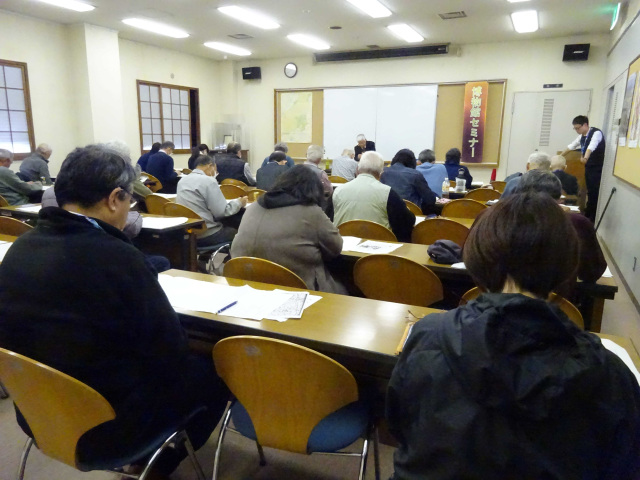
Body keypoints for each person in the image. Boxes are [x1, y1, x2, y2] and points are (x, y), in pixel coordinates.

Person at [0, 144, 228, 478]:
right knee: (214, 370)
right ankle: (157, 463)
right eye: (129, 201)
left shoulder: (21, 248)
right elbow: (170, 349)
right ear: (113, 198)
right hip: (108, 427)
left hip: (37, 413)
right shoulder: (117, 258)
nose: (128, 209)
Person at [387, 191, 640, 480]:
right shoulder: (610, 377)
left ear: (476, 255)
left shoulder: (426, 337)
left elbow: (400, 426)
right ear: (567, 264)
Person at [231, 165, 345, 294]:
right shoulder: (311, 212)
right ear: (314, 190)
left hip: (246, 284)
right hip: (297, 290)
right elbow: (336, 248)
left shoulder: (254, 207)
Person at [518, 169, 606, 283]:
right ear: (560, 199)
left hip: (502, 298)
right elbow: (592, 273)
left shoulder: (498, 218)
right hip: (558, 298)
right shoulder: (578, 223)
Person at [333, 151, 415, 242]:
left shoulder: (338, 191)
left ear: (357, 170)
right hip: (378, 253)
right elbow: (408, 221)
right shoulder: (388, 193)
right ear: (381, 173)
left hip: (342, 249)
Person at [177, 155, 247, 247]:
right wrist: (239, 203)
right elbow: (221, 212)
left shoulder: (182, 181)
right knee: (241, 231)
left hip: (188, 232)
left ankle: (205, 257)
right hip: (207, 233)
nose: (216, 173)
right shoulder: (209, 181)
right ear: (210, 166)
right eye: (216, 169)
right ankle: (233, 260)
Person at [561, 115, 605, 222]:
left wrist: (585, 157)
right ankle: (587, 213)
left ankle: (592, 217)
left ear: (585, 125)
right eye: (575, 128)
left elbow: (591, 147)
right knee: (589, 191)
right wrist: (560, 156)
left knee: (594, 192)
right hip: (588, 167)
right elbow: (572, 146)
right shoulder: (582, 135)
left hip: (597, 168)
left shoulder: (596, 133)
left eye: (578, 128)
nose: (576, 130)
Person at [381, 148, 436, 213]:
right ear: (412, 162)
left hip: (385, 213)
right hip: (411, 214)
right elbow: (430, 199)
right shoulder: (415, 174)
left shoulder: (382, 172)